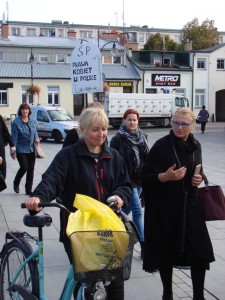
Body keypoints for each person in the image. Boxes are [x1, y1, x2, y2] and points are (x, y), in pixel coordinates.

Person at [24, 107, 133, 300]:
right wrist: (38, 197)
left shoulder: (114, 156)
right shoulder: (68, 156)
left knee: (116, 283)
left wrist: (119, 196)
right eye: (95, 129)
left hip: (108, 228)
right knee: (87, 281)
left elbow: (125, 185)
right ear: (82, 129)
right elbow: (52, 180)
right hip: (78, 230)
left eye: (105, 129)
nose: (101, 134)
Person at [141, 107, 215, 300]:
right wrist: (164, 177)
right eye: (176, 123)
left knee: (200, 252)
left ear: (192, 126)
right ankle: (168, 293)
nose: (179, 127)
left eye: (184, 124)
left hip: (191, 206)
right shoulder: (162, 146)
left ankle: (199, 296)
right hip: (167, 209)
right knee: (167, 253)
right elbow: (145, 177)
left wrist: (198, 179)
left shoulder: (196, 145)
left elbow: (198, 169)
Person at [110, 109, 149, 259]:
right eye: (129, 119)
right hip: (126, 182)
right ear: (123, 120)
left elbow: (146, 158)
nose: (132, 122)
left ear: (138, 121)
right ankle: (145, 246)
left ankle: (110, 231)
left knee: (125, 210)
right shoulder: (118, 139)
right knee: (138, 212)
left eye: (134, 120)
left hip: (140, 180)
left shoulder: (143, 137)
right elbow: (112, 161)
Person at [11, 103, 40, 195]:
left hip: (31, 148)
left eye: (27, 109)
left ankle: (28, 189)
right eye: (23, 109)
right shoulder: (16, 122)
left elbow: (35, 132)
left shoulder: (33, 121)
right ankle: (16, 182)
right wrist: (13, 151)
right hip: (21, 148)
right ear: (20, 111)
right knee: (24, 167)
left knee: (31, 169)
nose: (25, 111)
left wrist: (37, 138)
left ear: (29, 110)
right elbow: (14, 137)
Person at [0, 114, 16, 179]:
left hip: (1, 150)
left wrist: (12, 145)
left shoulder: (0, 118)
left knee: (3, 175)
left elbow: (5, 131)